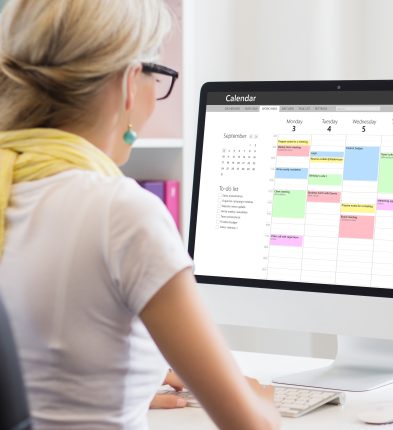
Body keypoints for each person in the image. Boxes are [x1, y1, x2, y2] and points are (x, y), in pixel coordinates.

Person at [0, 1, 281, 429]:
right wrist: (261, 401)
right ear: (131, 81)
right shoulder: (120, 213)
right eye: (158, 74)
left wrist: (124, 383)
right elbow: (250, 424)